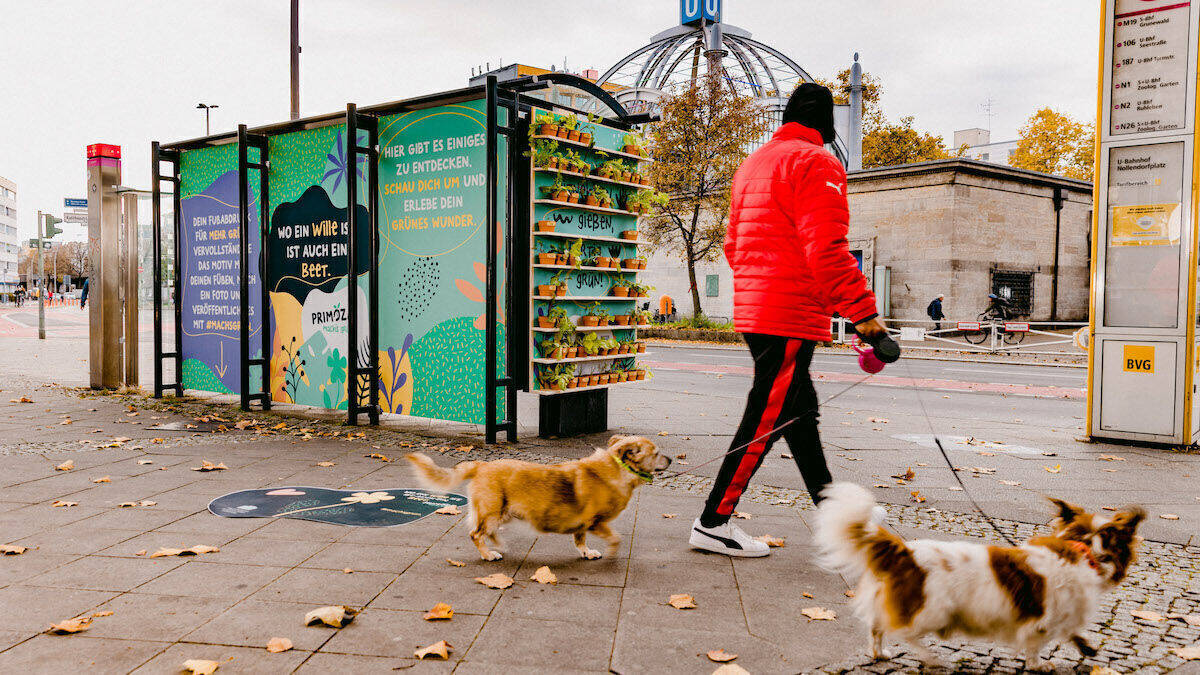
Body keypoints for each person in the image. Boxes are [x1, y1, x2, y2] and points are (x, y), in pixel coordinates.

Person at [689, 83, 889, 557]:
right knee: (765, 415)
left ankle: (834, 512)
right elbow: (827, 249)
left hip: (759, 307)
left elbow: (733, 245)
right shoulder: (818, 162)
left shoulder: (753, 163)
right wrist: (866, 318)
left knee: (800, 414)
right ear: (827, 123)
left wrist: (761, 289)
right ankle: (713, 521)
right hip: (788, 313)